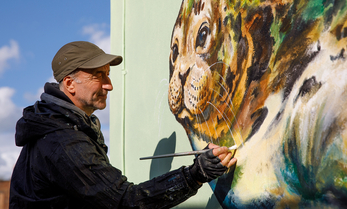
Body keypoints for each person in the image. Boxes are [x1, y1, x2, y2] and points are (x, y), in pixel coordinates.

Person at [9, 41, 237, 209]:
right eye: (99, 76)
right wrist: (195, 174)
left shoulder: (59, 126)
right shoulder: (63, 141)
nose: (109, 85)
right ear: (70, 84)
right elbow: (125, 202)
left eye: (108, 75)